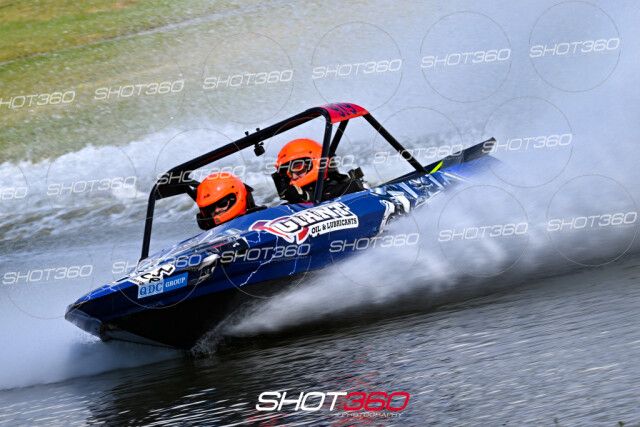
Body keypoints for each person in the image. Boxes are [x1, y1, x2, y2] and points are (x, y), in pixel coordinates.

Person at [274, 138, 365, 204]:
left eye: (298, 168)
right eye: (289, 173)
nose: (294, 176)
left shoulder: (346, 188)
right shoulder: (295, 199)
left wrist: (305, 196)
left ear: (315, 162)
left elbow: (330, 199)